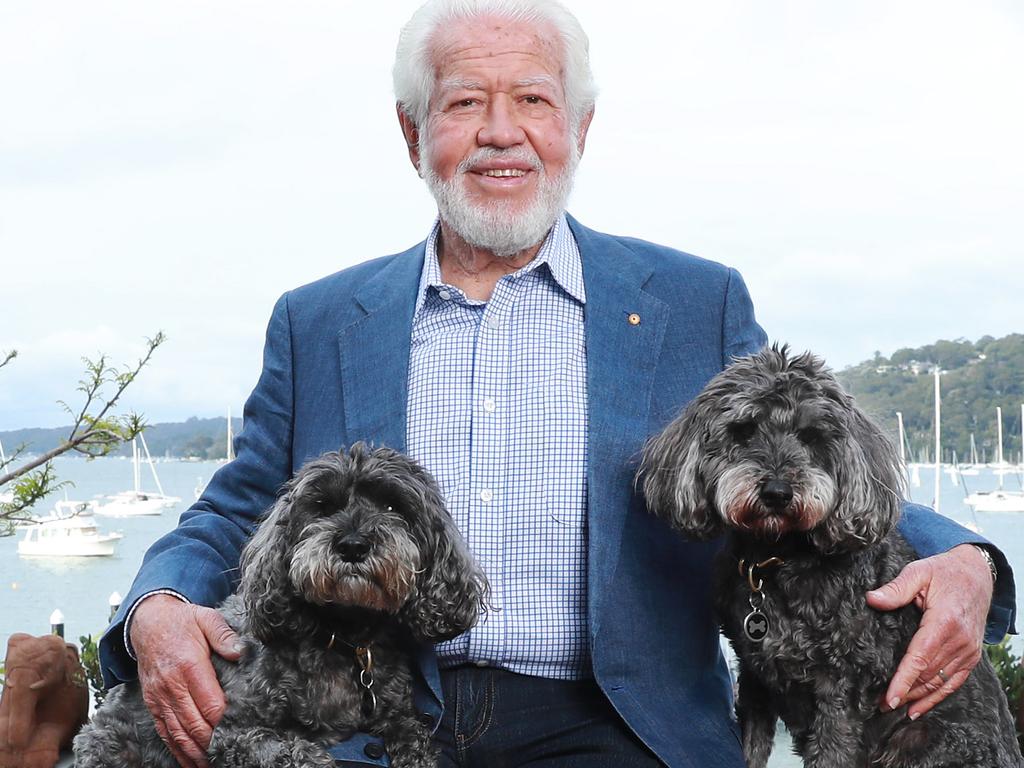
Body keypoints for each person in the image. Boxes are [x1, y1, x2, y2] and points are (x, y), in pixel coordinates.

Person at [97, 1, 1017, 767]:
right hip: (366, 721)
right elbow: (236, 510)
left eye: (533, 99)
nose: (502, 133)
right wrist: (155, 608)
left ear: (578, 127)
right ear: (414, 133)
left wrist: (971, 560)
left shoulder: (696, 303)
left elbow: (810, 451)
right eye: (465, 103)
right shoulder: (317, 318)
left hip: (617, 723)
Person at [0, 634, 89, 768]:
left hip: (57, 718)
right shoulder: (15, 680)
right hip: (20, 684)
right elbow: (7, 717)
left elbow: (62, 722)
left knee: (45, 744)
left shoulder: (69, 682)